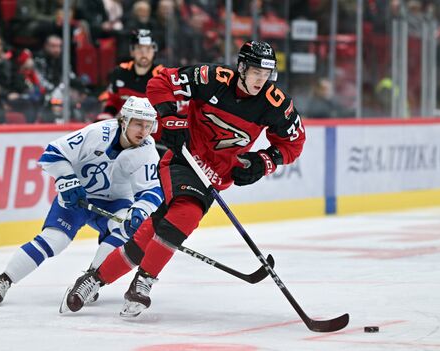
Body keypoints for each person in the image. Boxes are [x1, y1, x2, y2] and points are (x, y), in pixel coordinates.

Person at [60, 40, 306, 317]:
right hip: (182, 159)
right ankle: (143, 282)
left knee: (150, 236)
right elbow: (161, 81)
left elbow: (294, 143)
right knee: (187, 213)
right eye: (255, 73)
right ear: (241, 68)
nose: (261, 81)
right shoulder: (212, 78)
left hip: (214, 177)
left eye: (266, 75)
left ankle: (93, 278)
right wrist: (165, 116)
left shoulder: (275, 104)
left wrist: (264, 162)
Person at [0, 96, 164, 306]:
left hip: (116, 203)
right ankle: (3, 280)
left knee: (125, 230)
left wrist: (139, 211)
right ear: (124, 121)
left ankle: (90, 280)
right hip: (79, 197)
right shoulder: (97, 133)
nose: (143, 131)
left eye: (148, 125)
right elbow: (53, 153)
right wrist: (68, 182)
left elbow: (152, 190)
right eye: (138, 124)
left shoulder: (147, 150)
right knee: (54, 240)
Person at [97, 29, 163, 121]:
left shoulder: (162, 76)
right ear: (132, 51)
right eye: (139, 48)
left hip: (153, 126)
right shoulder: (120, 72)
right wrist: (107, 115)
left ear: (154, 50)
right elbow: (113, 100)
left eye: (148, 48)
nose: (144, 53)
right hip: (126, 125)